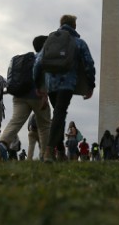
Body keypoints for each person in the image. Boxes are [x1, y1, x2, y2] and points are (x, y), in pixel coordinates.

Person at [33, 15, 96, 162]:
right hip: (67, 83)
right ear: (74, 26)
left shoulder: (49, 41)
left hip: (51, 84)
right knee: (60, 114)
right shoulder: (78, 42)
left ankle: (60, 151)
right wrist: (90, 85)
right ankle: (49, 150)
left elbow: (38, 63)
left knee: (58, 115)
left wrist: (38, 85)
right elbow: (89, 64)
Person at [0, 36, 53, 161]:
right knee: (44, 124)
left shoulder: (25, 60)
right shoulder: (43, 59)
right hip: (37, 95)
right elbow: (45, 78)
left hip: (19, 96)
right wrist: (45, 95)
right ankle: (44, 155)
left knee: (15, 121)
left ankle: (2, 145)